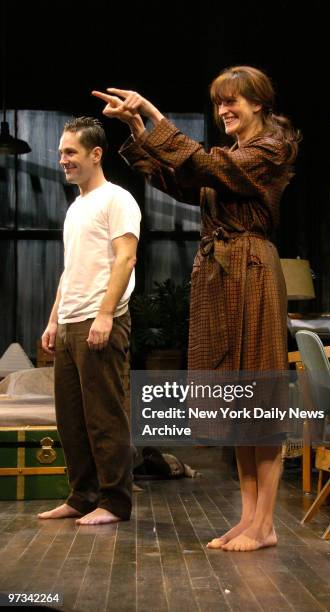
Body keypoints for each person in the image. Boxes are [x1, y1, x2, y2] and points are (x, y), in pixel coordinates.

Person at [93, 66, 300, 548]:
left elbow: (209, 168)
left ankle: (265, 524)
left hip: (249, 269)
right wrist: (138, 131)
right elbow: (184, 182)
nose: (224, 110)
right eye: (219, 103)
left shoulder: (271, 148)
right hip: (220, 272)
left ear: (260, 106)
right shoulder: (229, 155)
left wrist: (152, 112)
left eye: (234, 102)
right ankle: (250, 520)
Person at [39, 116, 141, 525]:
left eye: (70, 152)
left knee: (105, 415)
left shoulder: (117, 199)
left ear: (95, 154)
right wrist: (52, 321)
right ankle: (82, 496)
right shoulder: (77, 206)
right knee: (71, 419)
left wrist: (104, 314)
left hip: (101, 320)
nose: (63, 160)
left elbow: (126, 258)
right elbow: (70, 270)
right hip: (68, 323)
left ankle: (115, 502)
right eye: (61, 152)